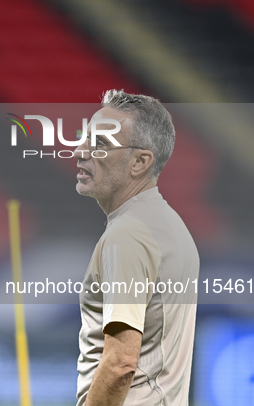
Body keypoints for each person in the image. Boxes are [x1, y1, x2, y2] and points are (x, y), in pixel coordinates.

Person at [74, 90, 199, 406]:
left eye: (99, 144)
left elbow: (120, 364)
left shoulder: (129, 234)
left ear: (140, 162)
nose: (79, 151)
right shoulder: (169, 225)